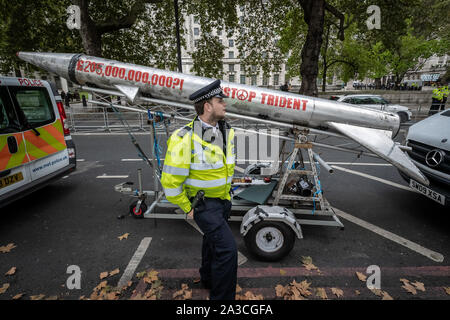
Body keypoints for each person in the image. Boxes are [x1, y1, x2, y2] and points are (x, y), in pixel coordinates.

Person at [160, 79, 237, 300]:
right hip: (203, 205)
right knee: (228, 251)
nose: (225, 104)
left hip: (222, 201)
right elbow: (170, 181)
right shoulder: (185, 138)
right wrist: (187, 207)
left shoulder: (226, 131)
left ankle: (208, 279)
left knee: (212, 244)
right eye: (220, 100)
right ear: (207, 106)